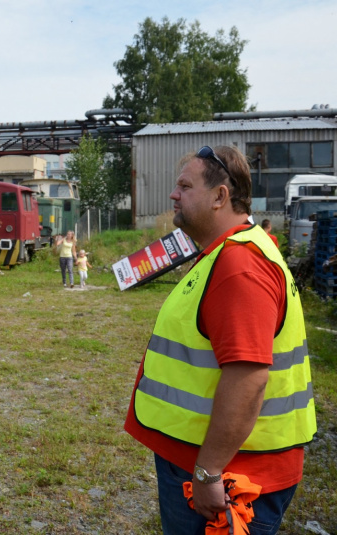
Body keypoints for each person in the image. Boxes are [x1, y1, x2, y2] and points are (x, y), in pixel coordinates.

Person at [124, 145, 316, 534]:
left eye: (184, 186)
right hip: (220, 459)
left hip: (232, 473)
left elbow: (248, 377)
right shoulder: (227, 253)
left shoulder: (239, 265)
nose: (174, 195)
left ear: (219, 196)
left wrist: (209, 471)